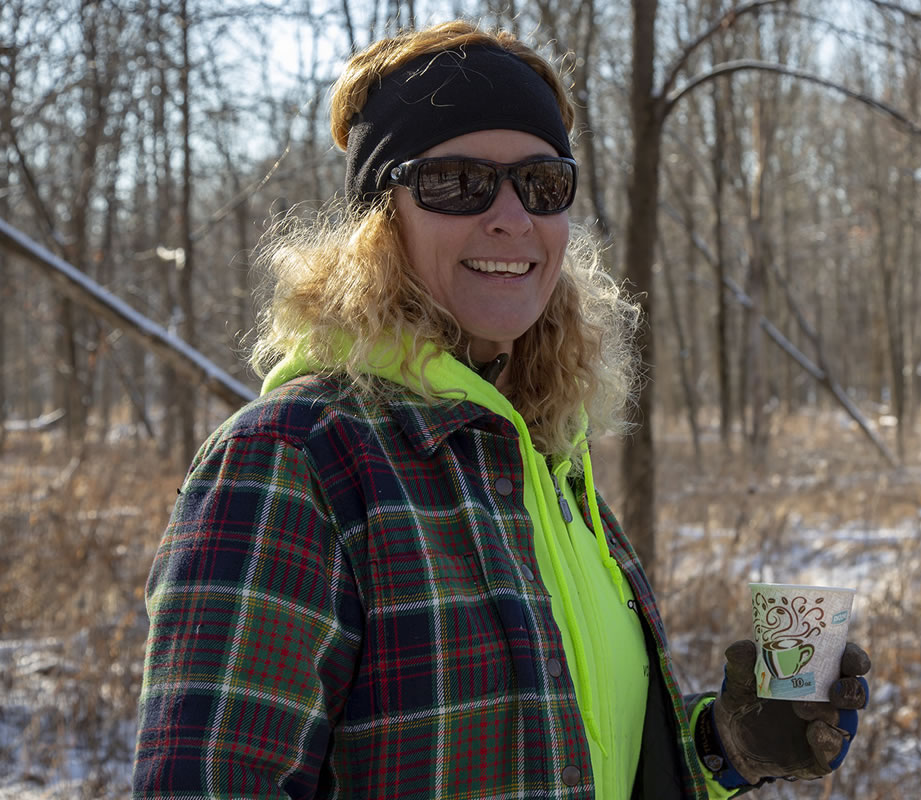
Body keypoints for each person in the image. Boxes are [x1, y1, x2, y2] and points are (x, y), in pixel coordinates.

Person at [132, 20, 870, 799]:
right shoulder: (294, 460)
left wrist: (725, 748)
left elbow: (578, 763)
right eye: (457, 182)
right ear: (381, 223)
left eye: (543, 184)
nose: (512, 217)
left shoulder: (541, 459)